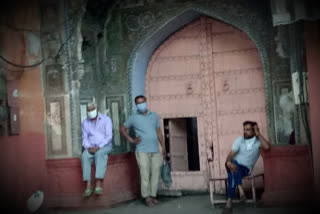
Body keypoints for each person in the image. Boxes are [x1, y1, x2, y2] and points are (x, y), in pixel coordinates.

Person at [120, 95, 166, 207]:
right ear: (136, 105)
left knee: (155, 173)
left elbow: (159, 132)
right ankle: (146, 197)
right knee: (145, 174)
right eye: (139, 103)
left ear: (146, 102)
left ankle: (153, 195)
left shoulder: (154, 116)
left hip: (155, 150)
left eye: (143, 102)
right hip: (142, 150)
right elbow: (122, 128)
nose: (141, 104)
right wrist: (131, 139)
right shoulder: (133, 118)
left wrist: (163, 147)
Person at [223, 121, 271, 214]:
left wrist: (258, 134)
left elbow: (267, 147)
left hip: (246, 169)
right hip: (233, 165)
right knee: (232, 165)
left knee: (232, 172)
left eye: (248, 130)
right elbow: (231, 154)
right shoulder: (239, 140)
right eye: (244, 129)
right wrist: (228, 162)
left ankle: (230, 203)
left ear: (254, 131)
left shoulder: (258, 142)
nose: (245, 132)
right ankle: (239, 191)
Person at [81, 101, 113, 197]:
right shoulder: (85, 122)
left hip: (105, 146)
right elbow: (84, 138)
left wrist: (98, 147)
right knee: (84, 156)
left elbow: (109, 137)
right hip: (91, 147)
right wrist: (88, 147)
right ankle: (88, 185)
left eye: (92, 110)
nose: (90, 112)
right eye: (88, 110)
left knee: (99, 154)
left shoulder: (106, 119)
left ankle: (98, 184)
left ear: (97, 109)